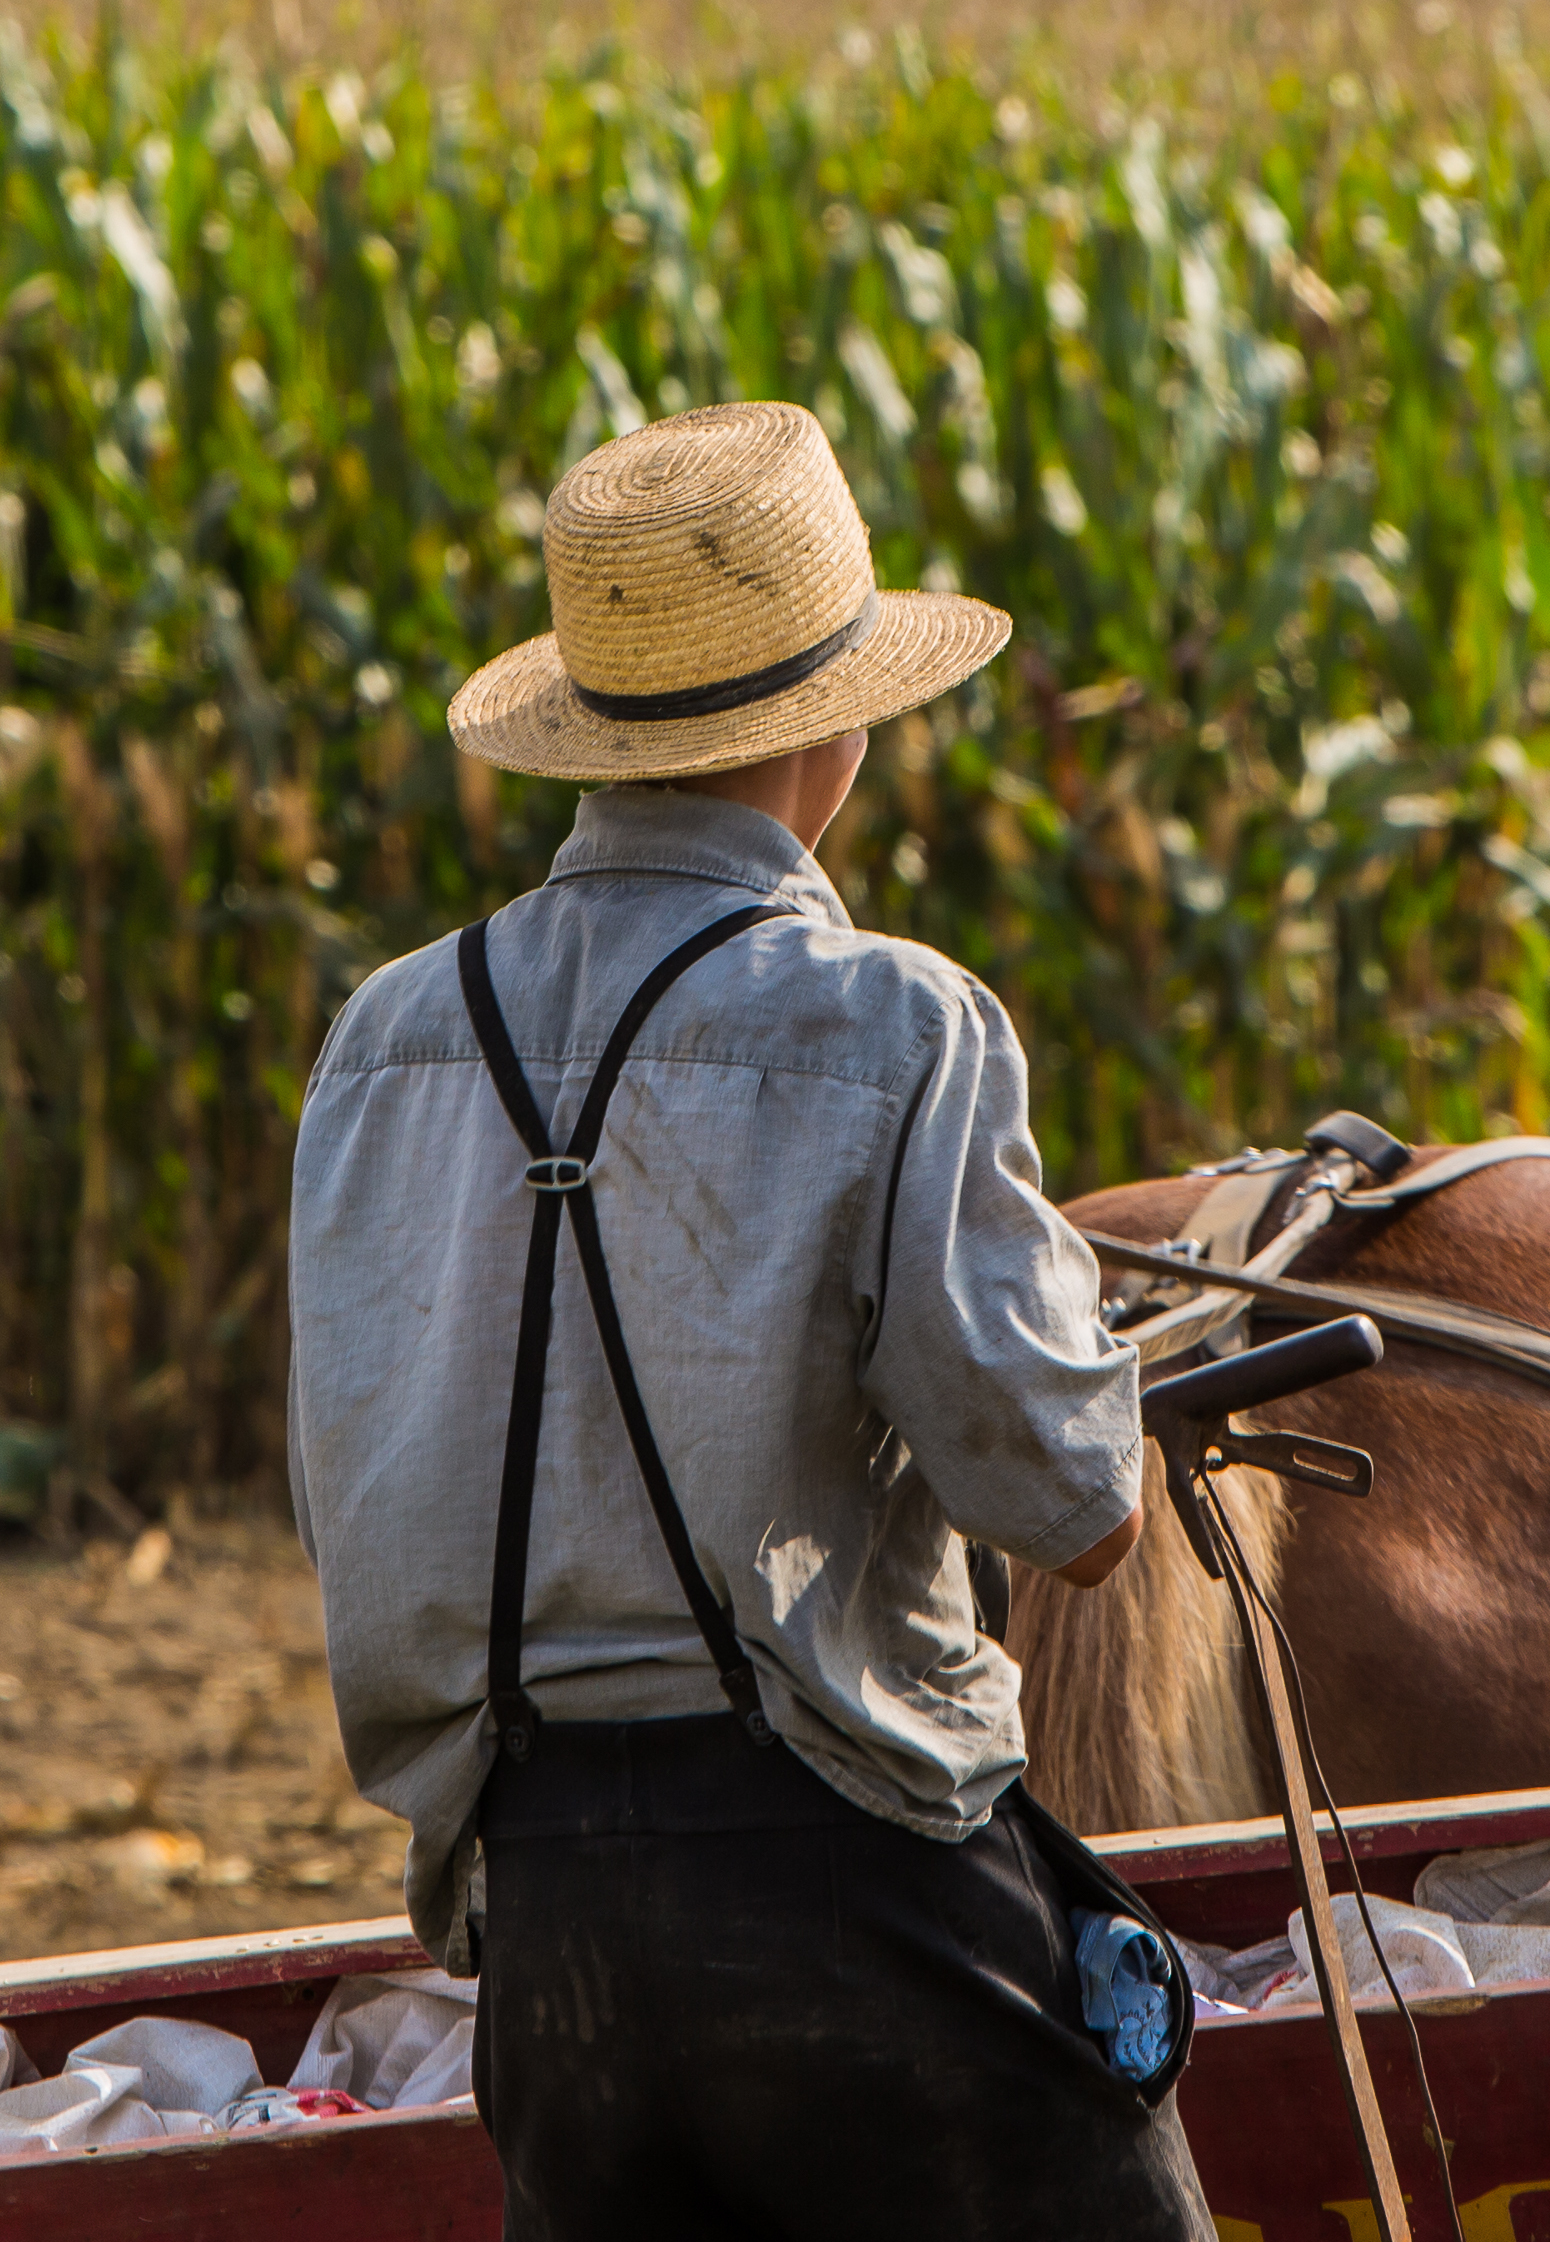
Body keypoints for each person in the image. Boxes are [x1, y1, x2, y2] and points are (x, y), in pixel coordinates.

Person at [288, 399, 1214, 2239]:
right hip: (850, 1874)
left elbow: (358, 1490)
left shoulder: (386, 1038)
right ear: (840, 727)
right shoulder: (896, 1024)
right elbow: (1076, 1509)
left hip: (538, 1923)